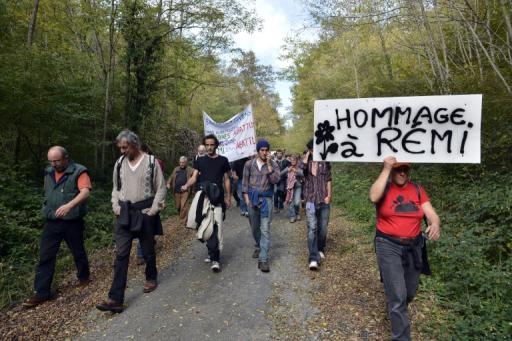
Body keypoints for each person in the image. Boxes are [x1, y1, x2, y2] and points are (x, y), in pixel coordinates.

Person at [369, 156, 441, 341]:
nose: (402, 172)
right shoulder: (384, 187)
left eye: (405, 170)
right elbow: (372, 197)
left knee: (409, 292)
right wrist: (385, 169)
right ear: (392, 170)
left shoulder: (417, 190)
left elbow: (431, 213)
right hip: (388, 245)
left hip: (414, 246)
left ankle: (395, 306)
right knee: (399, 296)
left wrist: (435, 224)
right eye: (398, 169)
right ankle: (401, 336)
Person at [96, 130, 167, 313]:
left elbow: (160, 188)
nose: (121, 151)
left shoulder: (151, 162)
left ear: (135, 145)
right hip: (124, 213)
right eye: (120, 147)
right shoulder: (119, 163)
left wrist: (153, 210)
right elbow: (115, 188)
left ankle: (151, 277)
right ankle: (115, 298)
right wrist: (115, 206)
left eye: (125, 147)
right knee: (121, 255)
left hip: (145, 212)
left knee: (148, 250)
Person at [23, 146, 91, 308]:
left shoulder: (79, 171)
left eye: (57, 160)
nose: (54, 164)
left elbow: (85, 192)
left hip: (72, 221)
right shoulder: (48, 172)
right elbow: (47, 192)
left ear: (66, 158)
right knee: (46, 255)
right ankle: (41, 292)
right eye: (51, 161)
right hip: (52, 221)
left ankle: (84, 277)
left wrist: (70, 205)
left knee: (78, 251)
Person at [181, 134, 231, 272]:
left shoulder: (223, 160)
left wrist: (228, 196)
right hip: (203, 198)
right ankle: (211, 252)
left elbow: (227, 179)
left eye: (212, 145)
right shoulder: (200, 161)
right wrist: (186, 185)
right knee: (204, 225)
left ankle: (216, 259)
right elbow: (194, 177)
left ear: (216, 145)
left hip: (218, 198)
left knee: (216, 226)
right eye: (207, 145)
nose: (209, 147)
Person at [242, 139, 280, 272]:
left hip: (266, 200)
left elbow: (276, 180)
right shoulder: (248, 164)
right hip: (252, 199)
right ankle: (258, 245)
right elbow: (245, 184)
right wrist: (247, 201)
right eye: (262, 150)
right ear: (258, 151)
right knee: (254, 228)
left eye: (266, 150)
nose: (264, 153)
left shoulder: (273, 164)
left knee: (265, 229)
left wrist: (269, 164)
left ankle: (263, 259)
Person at [300, 139, 332, 271]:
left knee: (323, 228)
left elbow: (329, 179)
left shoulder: (325, 162)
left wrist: (329, 195)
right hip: (310, 200)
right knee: (312, 228)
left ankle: (320, 248)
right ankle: (313, 258)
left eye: (315, 149)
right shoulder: (306, 163)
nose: (314, 151)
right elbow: (300, 171)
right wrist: (307, 156)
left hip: (323, 199)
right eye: (312, 149)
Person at [167, 156, 194, 228]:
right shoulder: (176, 169)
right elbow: (171, 176)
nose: (182, 164)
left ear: (186, 163)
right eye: (180, 162)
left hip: (185, 191)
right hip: (176, 191)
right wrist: (168, 183)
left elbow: (196, 174)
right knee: (178, 206)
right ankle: (182, 216)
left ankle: (182, 222)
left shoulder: (190, 169)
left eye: (183, 162)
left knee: (184, 206)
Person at [281, 154, 304, 223]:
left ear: (297, 161)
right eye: (291, 160)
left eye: (294, 160)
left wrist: (295, 171)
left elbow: (303, 174)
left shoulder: (299, 167)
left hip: (298, 187)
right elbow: (280, 174)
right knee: (291, 202)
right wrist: (287, 170)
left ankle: (297, 213)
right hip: (289, 188)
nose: (292, 161)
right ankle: (292, 216)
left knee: (296, 202)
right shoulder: (288, 167)